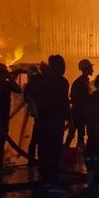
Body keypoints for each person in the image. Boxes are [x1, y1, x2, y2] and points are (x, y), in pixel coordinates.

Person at [25, 55, 70, 186]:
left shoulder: (38, 80)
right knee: (54, 149)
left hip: (43, 121)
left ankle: (46, 179)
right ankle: (51, 179)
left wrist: (35, 109)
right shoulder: (62, 82)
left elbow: (27, 94)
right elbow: (65, 104)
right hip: (55, 122)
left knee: (44, 149)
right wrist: (70, 121)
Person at [0, 63, 21, 168]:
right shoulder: (6, 85)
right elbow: (18, 90)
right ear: (4, 73)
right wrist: (10, 78)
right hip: (1, 119)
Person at [66, 58, 93, 148]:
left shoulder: (84, 81)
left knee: (77, 134)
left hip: (80, 112)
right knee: (76, 134)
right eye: (90, 67)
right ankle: (67, 151)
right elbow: (76, 98)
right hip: (79, 112)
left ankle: (70, 151)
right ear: (85, 69)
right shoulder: (80, 82)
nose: (92, 70)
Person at [24, 64, 42, 163]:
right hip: (43, 116)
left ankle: (33, 161)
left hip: (39, 116)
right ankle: (38, 161)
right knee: (39, 139)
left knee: (36, 139)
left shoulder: (30, 85)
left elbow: (29, 100)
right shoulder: (41, 82)